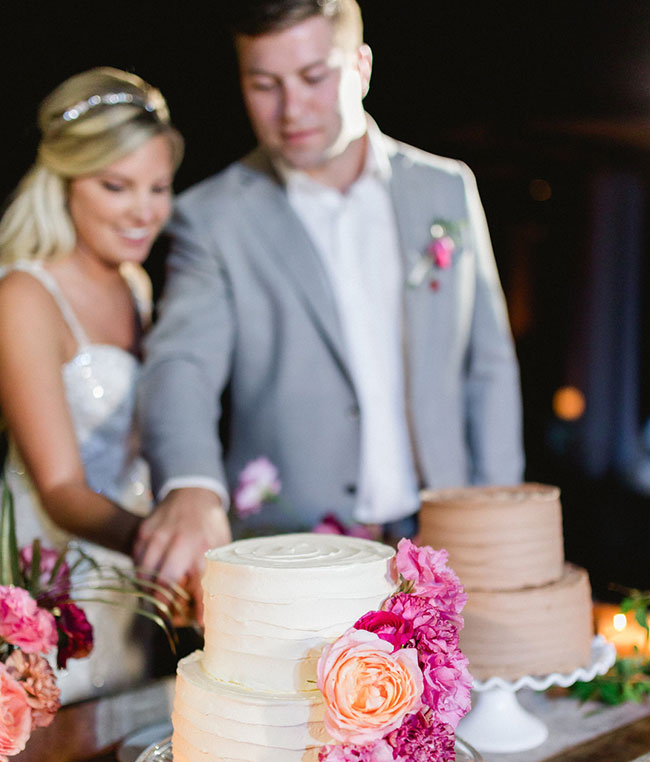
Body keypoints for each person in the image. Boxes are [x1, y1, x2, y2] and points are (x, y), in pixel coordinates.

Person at [135, 0, 524, 597]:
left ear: (361, 67)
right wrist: (191, 484)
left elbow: (488, 363)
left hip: (444, 533)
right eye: (264, 85)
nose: (291, 110)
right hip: (292, 546)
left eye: (314, 77)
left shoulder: (445, 188)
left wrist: (496, 518)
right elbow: (182, 362)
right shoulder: (210, 218)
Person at [0, 66, 184, 701]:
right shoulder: (25, 295)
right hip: (54, 570)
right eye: (117, 186)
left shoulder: (135, 285)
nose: (145, 211)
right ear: (67, 179)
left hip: (125, 570)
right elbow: (58, 487)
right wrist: (167, 548)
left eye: (159, 188)